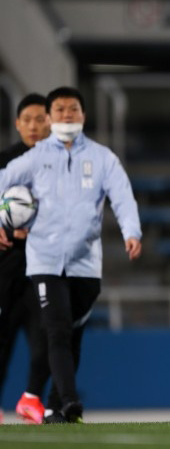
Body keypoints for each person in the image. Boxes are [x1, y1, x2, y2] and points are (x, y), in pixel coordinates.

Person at [0, 86, 142, 423]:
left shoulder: (102, 157)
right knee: (58, 331)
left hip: (86, 265)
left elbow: (122, 195)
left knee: (72, 333)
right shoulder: (35, 158)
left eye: (73, 109)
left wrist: (132, 231)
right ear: (51, 117)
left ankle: (53, 408)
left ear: (83, 115)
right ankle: (69, 400)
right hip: (45, 261)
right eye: (60, 109)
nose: (67, 115)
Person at [0, 94, 51, 424]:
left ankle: (31, 398)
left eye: (39, 119)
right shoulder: (4, 161)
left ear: (50, 122)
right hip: (6, 267)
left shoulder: (61, 163)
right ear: (17, 124)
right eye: (27, 119)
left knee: (47, 337)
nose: (33, 125)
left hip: (43, 265)